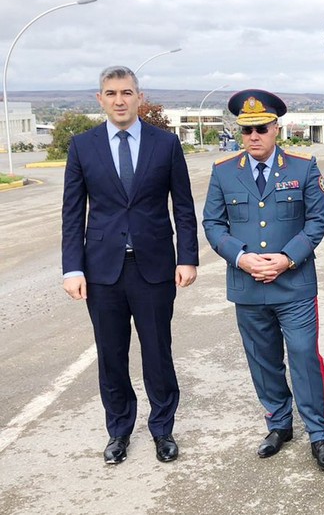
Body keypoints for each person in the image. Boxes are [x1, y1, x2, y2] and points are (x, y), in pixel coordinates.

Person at [61, 65, 198, 464]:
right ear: (100, 99)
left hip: (154, 268)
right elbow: (73, 214)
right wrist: (72, 268)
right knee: (111, 355)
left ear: (139, 96)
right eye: (111, 93)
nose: (119, 100)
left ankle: (162, 430)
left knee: (158, 352)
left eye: (126, 92)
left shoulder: (165, 144)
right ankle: (118, 431)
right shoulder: (82, 146)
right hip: (102, 271)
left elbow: (184, 207)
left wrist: (187, 257)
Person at [202, 89, 324, 471]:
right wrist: (241, 258)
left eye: (261, 128)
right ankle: (279, 424)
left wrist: (287, 258)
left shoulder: (303, 167)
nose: (254, 136)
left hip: (293, 285)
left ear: (277, 128)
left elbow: (316, 220)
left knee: (303, 356)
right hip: (248, 285)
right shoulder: (224, 170)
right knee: (262, 360)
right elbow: (213, 223)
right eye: (246, 130)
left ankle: (319, 433)